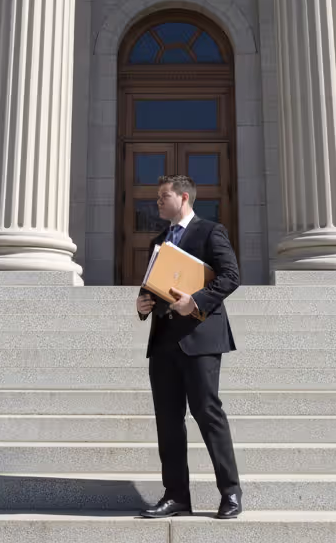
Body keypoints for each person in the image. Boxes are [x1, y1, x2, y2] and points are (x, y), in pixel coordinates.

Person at [134, 174, 243, 520]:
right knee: (168, 421)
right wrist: (141, 304)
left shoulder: (211, 232)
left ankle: (230, 493)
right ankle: (176, 495)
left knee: (208, 415)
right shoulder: (158, 240)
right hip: (163, 344)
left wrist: (195, 302)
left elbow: (230, 276)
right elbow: (152, 288)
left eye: (161, 196)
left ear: (182, 198)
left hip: (200, 339)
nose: (157, 202)